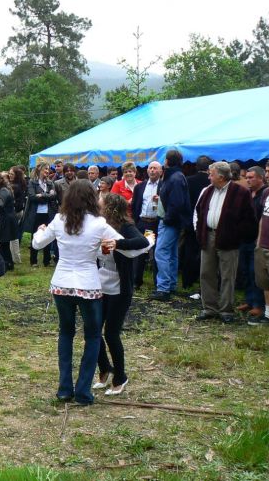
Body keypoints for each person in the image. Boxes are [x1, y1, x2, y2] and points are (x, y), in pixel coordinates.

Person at [32, 179, 122, 405]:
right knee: (92, 337)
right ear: (92, 198)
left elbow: (37, 245)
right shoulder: (99, 223)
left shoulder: (59, 220)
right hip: (88, 284)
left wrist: (39, 230)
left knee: (66, 333)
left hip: (62, 283)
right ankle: (83, 391)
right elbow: (121, 243)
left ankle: (64, 389)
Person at [94, 194, 150, 396]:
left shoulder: (125, 226)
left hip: (120, 287)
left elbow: (142, 241)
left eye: (100, 205)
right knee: (93, 330)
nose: (97, 207)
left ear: (109, 208)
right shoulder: (99, 225)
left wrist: (118, 244)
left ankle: (120, 376)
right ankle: (104, 368)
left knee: (111, 333)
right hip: (100, 283)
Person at [194, 161, 257, 323]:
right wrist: (200, 230)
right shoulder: (208, 191)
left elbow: (249, 218)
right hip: (208, 236)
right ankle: (209, 308)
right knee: (206, 273)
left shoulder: (240, 192)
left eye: (211, 174)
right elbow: (199, 210)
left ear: (221, 176)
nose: (209, 177)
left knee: (228, 275)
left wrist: (235, 234)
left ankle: (226, 310)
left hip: (229, 239)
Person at [150, 150, 191, 302]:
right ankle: (170, 284)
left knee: (161, 252)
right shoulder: (176, 176)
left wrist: (167, 218)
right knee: (171, 254)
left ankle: (163, 288)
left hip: (169, 222)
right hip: (172, 221)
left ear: (167, 161)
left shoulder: (174, 177)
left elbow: (176, 202)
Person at [249, 158, 269, 328]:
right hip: (263, 246)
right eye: (266, 171)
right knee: (265, 283)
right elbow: (262, 220)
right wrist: (259, 241)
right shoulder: (267, 192)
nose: (266, 175)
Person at [236, 166, 268, 316]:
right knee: (245, 271)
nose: (247, 180)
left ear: (261, 178)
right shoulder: (247, 193)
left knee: (256, 272)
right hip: (244, 238)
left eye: (251, 177)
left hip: (259, 239)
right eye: (247, 177)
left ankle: (258, 304)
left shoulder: (265, 194)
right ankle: (249, 300)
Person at [182, 155, 212, 289]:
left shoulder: (188, 181)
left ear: (196, 166)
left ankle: (187, 280)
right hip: (207, 222)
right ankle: (202, 280)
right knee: (205, 252)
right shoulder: (212, 182)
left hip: (190, 220)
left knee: (189, 251)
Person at [132, 161, 163, 289]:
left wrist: (160, 199)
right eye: (150, 168)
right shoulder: (140, 186)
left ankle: (158, 283)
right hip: (142, 222)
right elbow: (135, 205)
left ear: (160, 172)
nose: (152, 170)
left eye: (155, 168)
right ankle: (136, 281)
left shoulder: (164, 186)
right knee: (140, 252)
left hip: (156, 222)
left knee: (157, 253)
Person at [23, 163, 58, 268]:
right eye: (45, 169)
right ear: (39, 169)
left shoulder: (50, 183)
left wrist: (42, 195)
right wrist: (48, 195)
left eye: (48, 169)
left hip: (48, 213)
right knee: (35, 236)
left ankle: (46, 261)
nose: (47, 171)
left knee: (47, 236)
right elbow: (32, 197)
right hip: (36, 214)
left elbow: (54, 196)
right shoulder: (32, 182)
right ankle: (33, 261)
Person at [0, 170, 17, 272]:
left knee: (4, 243)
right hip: (4, 219)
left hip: (7, 221)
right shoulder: (0, 189)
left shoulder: (4, 190)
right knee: (3, 243)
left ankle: (8, 264)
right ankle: (6, 264)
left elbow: (0, 203)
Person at [9, 166, 28, 264]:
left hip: (15, 212)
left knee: (13, 236)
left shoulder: (15, 187)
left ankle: (15, 258)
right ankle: (15, 257)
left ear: (16, 175)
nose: (9, 175)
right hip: (19, 212)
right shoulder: (21, 184)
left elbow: (18, 203)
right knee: (14, 235)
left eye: (12, 174)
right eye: (9, 173)